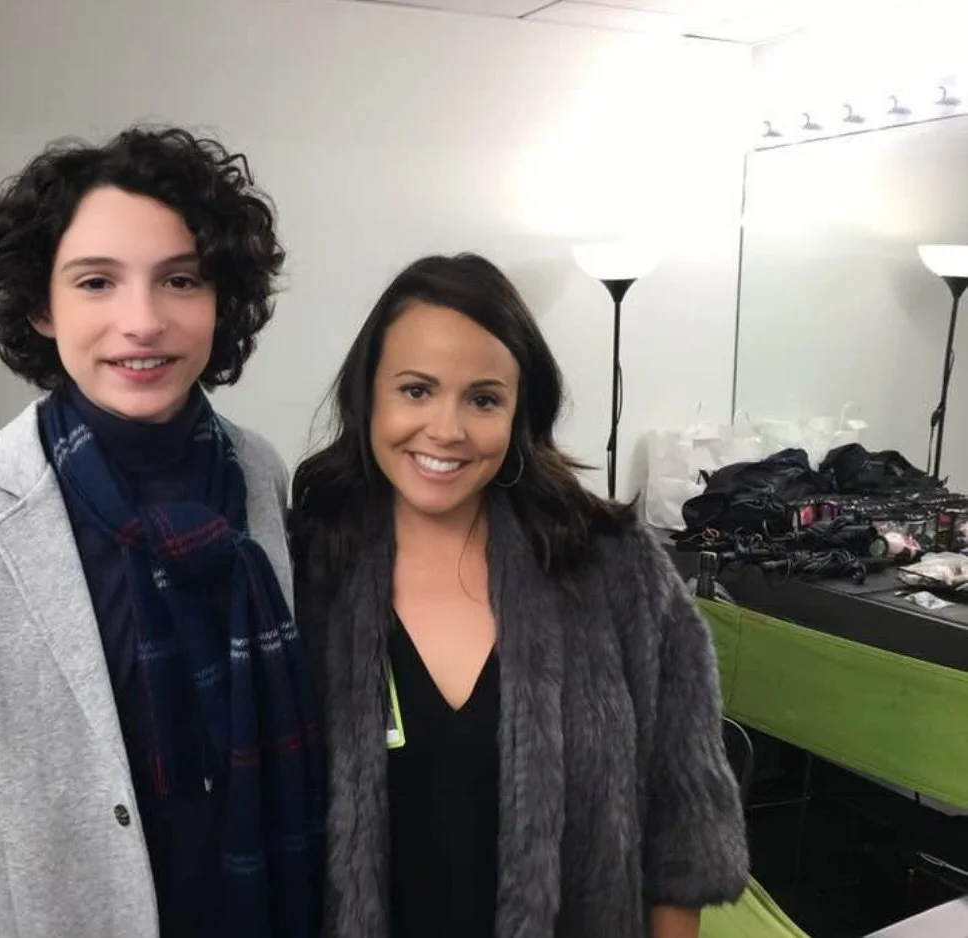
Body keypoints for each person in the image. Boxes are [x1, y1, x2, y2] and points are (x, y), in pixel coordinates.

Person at [0, 127, 324, 938]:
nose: (142, 321)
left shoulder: (259, 472)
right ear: (40, 304)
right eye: (96, 282)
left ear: (221, 300)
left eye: (179, 279)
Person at [290, 253, 748, 938]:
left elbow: (681, 824)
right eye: (416, 390)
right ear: (368, 397)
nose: (446, 429)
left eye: (483, 399)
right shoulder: (305, 569)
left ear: (519, 411)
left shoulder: (613, 566)